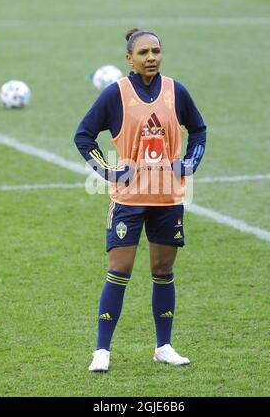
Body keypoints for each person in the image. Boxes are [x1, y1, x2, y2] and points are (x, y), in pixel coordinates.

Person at [74, 28, 207, 372]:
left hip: (167, 198)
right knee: (119, 270)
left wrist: (190, 163)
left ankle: (163, 346)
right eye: (144, 52)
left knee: (163, 271)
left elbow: (199, 130)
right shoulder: (115, 94)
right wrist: (109, 171)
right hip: (128, 200)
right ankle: (102, 350)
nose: (151, 57)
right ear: (129, 59)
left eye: (156, 51)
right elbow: (84, 135)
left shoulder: (175, 91)